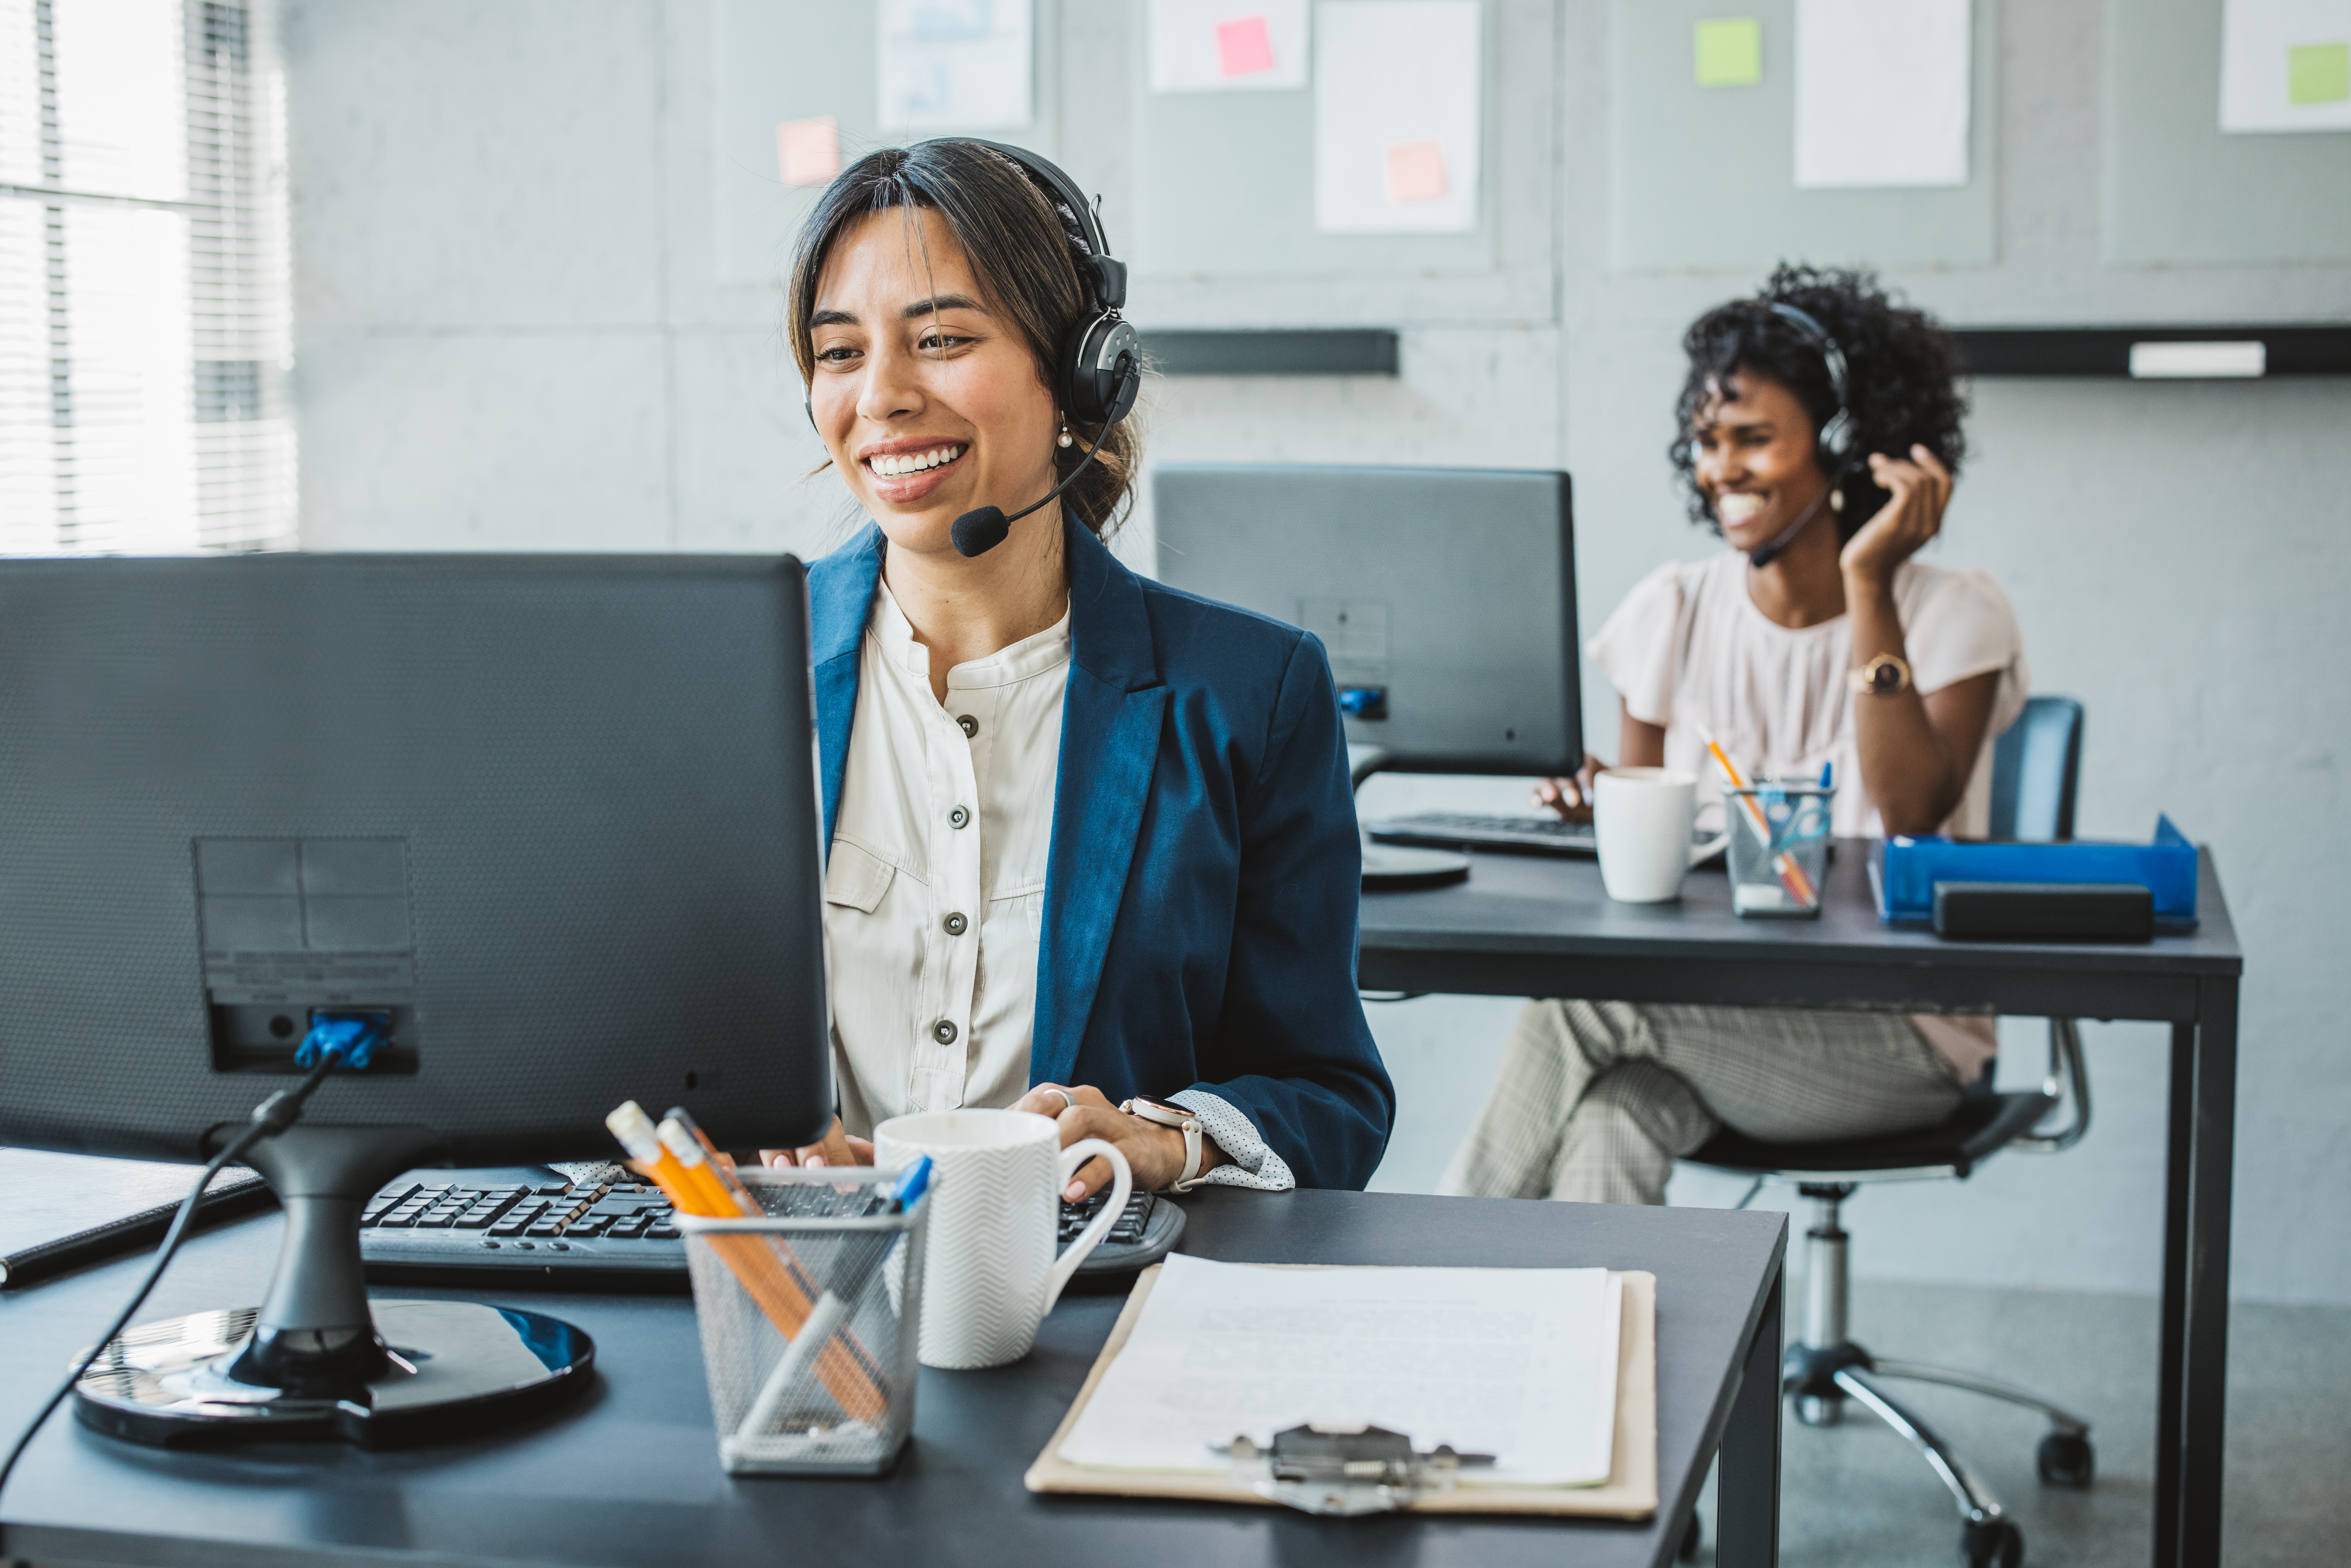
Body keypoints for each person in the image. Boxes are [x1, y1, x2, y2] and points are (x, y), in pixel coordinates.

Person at [762, 140, 1393, 1200]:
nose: (881, 396)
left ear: (1078, 373)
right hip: (794, 1302)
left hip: (1098, 1310)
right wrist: (746, 1132)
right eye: (839, 353)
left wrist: (1164, 1138)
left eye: (942, 338)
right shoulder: (737, 673)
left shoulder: (1249, 694)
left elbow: (1329, 1092)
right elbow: (615, 1045)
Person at [1441, 265, 2029, 1207]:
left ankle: (1422, 1282)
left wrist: (1870, 581)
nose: (1720, 470)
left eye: (1751, 439)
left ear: (1846, 444)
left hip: (1899, 1036)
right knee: (1611, 1116)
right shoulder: (1672, 610)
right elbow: (1632, 906)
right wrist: (1608, 810)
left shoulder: (1953, 614)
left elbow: (1912, 809)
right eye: (1707, 442)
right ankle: (1594, 1353)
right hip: (1710, 1012)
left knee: (1583, 1003)